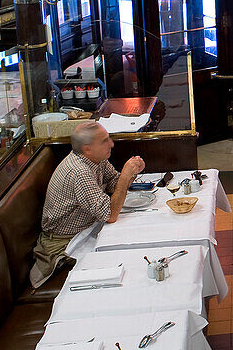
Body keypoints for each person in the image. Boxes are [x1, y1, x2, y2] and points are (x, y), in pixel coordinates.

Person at [28, 122, 145, 287]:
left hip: (89, 228)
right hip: (65, 243)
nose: (111, 144)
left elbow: (114, 184)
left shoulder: (96, 159)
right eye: (105, 141)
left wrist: (131, 173)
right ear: (87, 149)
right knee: (125, 259)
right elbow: (110, 215)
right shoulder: (79, 172)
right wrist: (125, 175)